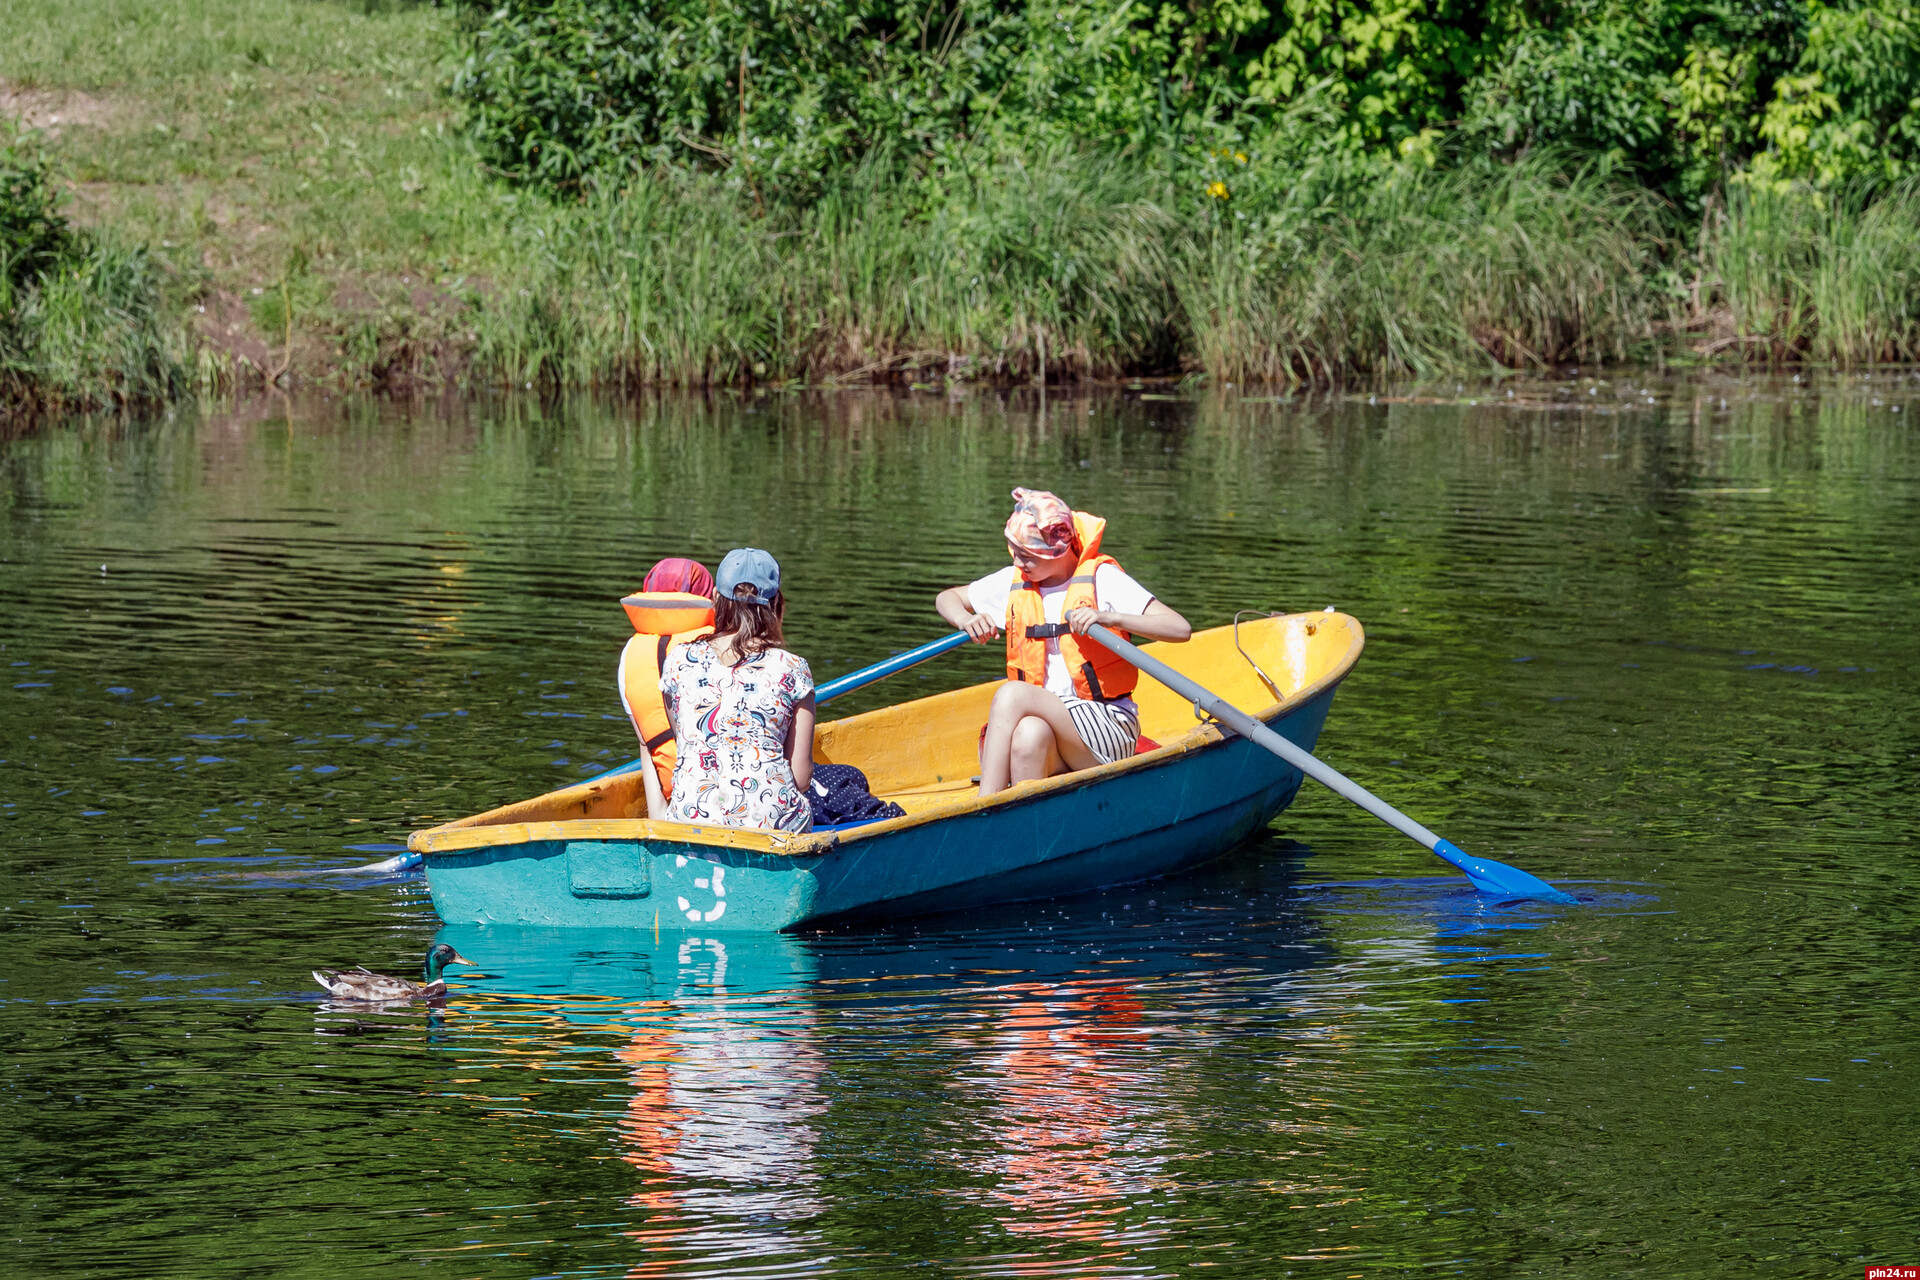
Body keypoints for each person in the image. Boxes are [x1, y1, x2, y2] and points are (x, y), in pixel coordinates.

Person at [935, 488, 1191, 797]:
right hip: (1054, 729)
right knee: (1029, 734)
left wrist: (1111, 618)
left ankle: (983, 805)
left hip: (1106, 726)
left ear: (1054, 552)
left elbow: (1179, 628)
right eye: (1013, 550)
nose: (1017, 560)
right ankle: (1027, 825)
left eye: (1026, 555)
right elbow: (947, 598)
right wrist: (966, 620)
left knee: (1012, 694)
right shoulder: (1017, 580)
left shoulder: (1102, 579)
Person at [657, 548, 817, 833]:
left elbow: (686, 743)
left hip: (688, 819)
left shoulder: (678, 661)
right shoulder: (793, 668)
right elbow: (801, 778)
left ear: (716, 599)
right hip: (768, 826)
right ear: (778, 604)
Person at [617, 557, 718, 819]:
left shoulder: (630, 653)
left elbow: (646, 743)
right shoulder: (721, 646)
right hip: (726, 790)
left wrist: (657, 818)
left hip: (673, 795)